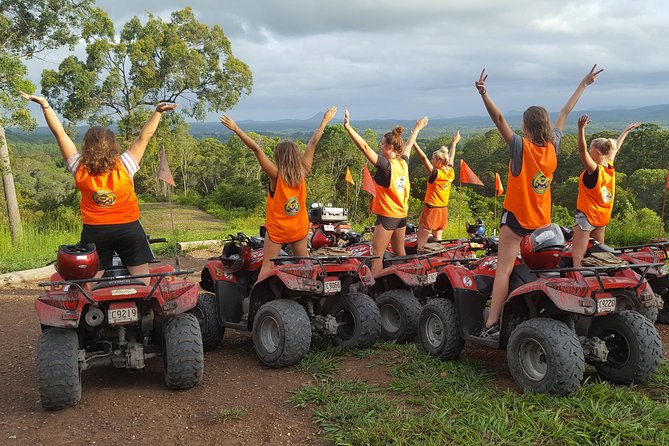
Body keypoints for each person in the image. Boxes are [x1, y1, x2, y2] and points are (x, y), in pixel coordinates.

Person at [474, 65, 604, 339]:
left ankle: (491, 324)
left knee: (504, 269)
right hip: (541, 224)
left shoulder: (521, 147)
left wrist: (484, 94)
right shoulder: (553, 147)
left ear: (525, 127)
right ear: (544, 125)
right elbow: (565, 112)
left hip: (517, 221)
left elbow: (498, 119)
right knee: (541, 270)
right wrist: (583, 83)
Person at [20, 91, 176, 285]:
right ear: (113, 146)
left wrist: (45, 105)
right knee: (143, 281)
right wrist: (158, 112)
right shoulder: (125, 164)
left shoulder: (79, 167)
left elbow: (60, 133)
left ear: (86, 146)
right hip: (128, 229)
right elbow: (145, 136)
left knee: (91, 285)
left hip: (95, 232)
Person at [220, 107, 337, 280]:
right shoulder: (303, 171)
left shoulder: (276, 175)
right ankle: (311, 296)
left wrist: (237, 129)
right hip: (299, 228)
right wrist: (325, 121)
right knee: (305, 263)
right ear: (296, 156)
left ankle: (256, 303)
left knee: (268, 265)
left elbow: (257, 150)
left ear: (279, 157)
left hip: (278, 231)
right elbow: (312, 143)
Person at [343, 110, 429, 275]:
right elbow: (409, 145)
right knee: (400, 254)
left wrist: (349, 128)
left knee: (377, 255)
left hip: (387, 216)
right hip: (401, 216)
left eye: (382, 144)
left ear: (390, 147)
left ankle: (375, 291)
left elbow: (364, 147)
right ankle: (408, 282)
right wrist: (417, 129)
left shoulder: (385, 165)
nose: (379, 146)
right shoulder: (403, 162)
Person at [571, 115, 640, 267]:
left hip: (587, 217)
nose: (589, 151)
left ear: (597, 152)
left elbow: (581, 152)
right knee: (601, 255)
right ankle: (602, 279)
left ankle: (580, 284)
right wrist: (625, 132)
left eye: (591, 148)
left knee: (577, 255)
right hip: (602, 218)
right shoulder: (609, 166)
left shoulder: (594, 170)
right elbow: (616, 147)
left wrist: (580, 130)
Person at [413, 131, 461, 249]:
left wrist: (413, 143)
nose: (431, 161)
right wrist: (454, 143)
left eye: (433, 159)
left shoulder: (436, 174)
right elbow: (451, 157)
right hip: (443, 208)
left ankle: (420, 252)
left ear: (439, 161)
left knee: (423, 233)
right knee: (438, 237)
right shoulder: (450, 171)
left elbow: (423, 158)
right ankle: (438, 255)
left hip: (432, 208)